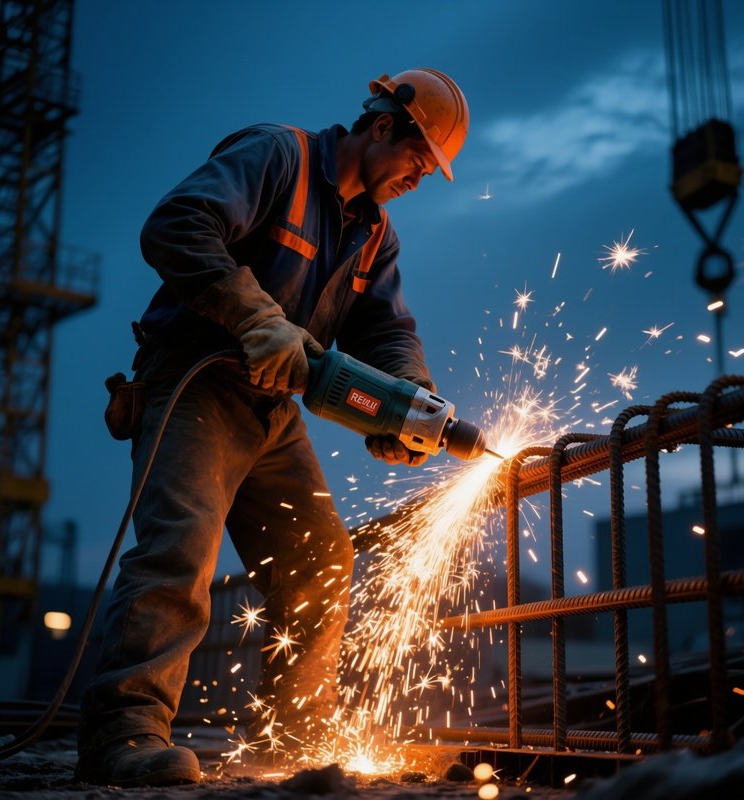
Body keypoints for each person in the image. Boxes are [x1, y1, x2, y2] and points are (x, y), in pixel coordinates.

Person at [75, 68, 469, 787]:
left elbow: (388, 327)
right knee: (179, 554)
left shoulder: (374, 233)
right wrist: (256, 317)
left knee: (319, 560)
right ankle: (124, 732)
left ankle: (293, 736)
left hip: (272, 410)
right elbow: (176, 224)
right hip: (194, 379)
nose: (419, 177)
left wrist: (408, 398)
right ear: (383, 127)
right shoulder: (277, 157)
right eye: (419, 160)